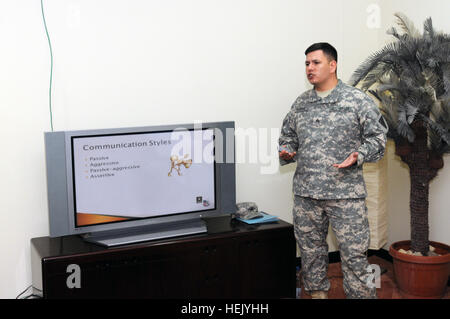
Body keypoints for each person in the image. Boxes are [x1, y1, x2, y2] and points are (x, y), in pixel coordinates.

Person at [279, 42, 387, 299]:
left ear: (332, 65)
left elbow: (379, 138)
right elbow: (287, 137)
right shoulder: (301, 103)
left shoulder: (356, 100)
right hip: (307, 196)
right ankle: (317, 295)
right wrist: (286, 150)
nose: (309, 68)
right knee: (311, 254)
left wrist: (359, 155)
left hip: (345, 196)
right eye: (306, 63)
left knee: (354, 258)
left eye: (315, 62)